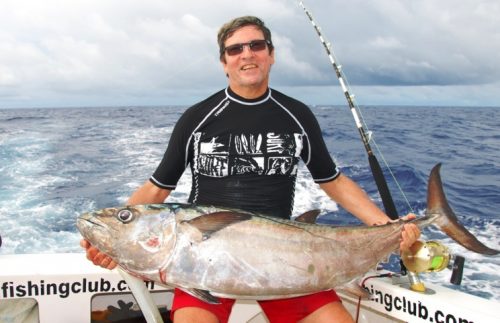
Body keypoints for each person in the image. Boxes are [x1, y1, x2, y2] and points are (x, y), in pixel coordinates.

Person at [81, 16, 420, 323]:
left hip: (283, 258)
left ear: (270, 55)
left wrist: (387, 227)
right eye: (235, 49)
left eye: (256, 45)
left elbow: (332, 180)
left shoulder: (296, 115)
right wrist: (113, 241)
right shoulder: (197, 118)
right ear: (224, 62)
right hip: (203, 264)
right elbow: (156, 190)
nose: (247, 54)